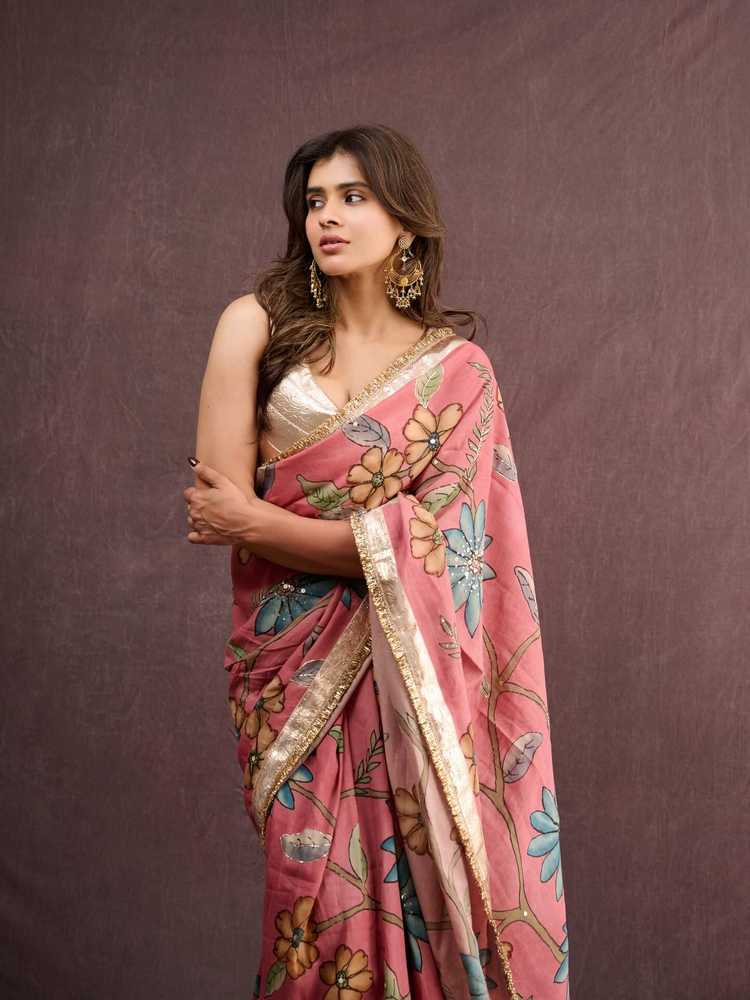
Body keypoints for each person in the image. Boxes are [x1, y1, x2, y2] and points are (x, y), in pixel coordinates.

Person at [183, 124, 571, 1000]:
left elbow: (450, 554)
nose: (327, 215)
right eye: (315, 200)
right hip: (293, 672)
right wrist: (368, 536)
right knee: (316, 913)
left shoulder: (458, 374)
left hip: (412, 680)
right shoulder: (255, 326)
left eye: (354, 197)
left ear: (404, 223)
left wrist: (271, 521)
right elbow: (218, 512)